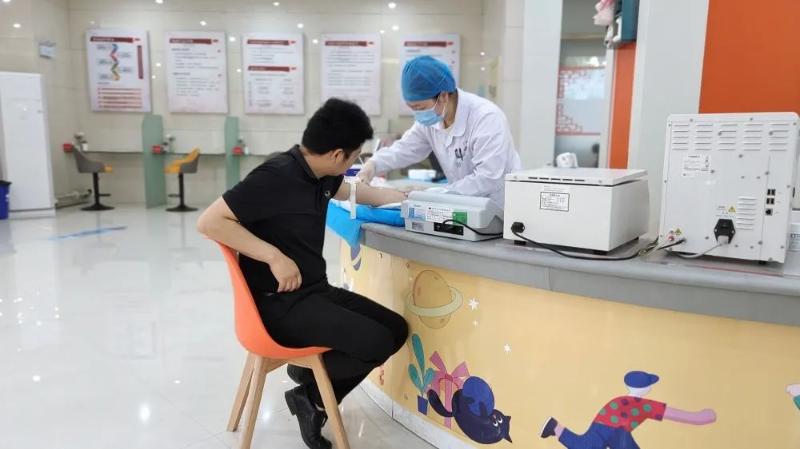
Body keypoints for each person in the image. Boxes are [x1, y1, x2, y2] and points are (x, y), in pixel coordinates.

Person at [197, 98, 409, 449]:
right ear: (337, 154)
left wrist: (401, 197)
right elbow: (209, 222)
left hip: (313, 293)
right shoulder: (275, 176)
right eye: (355, 157)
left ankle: (308, 385)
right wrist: (273, 256)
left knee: (396, 329)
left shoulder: (320, 175)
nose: (354, 164)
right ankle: (311, 399)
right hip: (279, 306)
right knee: (376, 341)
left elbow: (354, 190)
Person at [357, 55, 521, 208]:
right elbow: (404, 149)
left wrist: (432, 193)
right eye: (412, 107)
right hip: (464, 207)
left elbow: (489, 178)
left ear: (443, 96)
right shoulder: (432, 120)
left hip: (500, 208)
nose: (417, 114)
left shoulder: (486, 118)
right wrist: (372, 164)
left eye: (420, 107)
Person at [540, 371, 717, 449]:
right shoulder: (642, 405)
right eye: (650, 385)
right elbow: (673, 414)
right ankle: (554, 427)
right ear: (645, 388)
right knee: (587, 447)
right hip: (613, 430)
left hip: (607, 426)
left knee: (586, 446)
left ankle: (555, 427)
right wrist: (701, 417)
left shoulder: (620, 400)